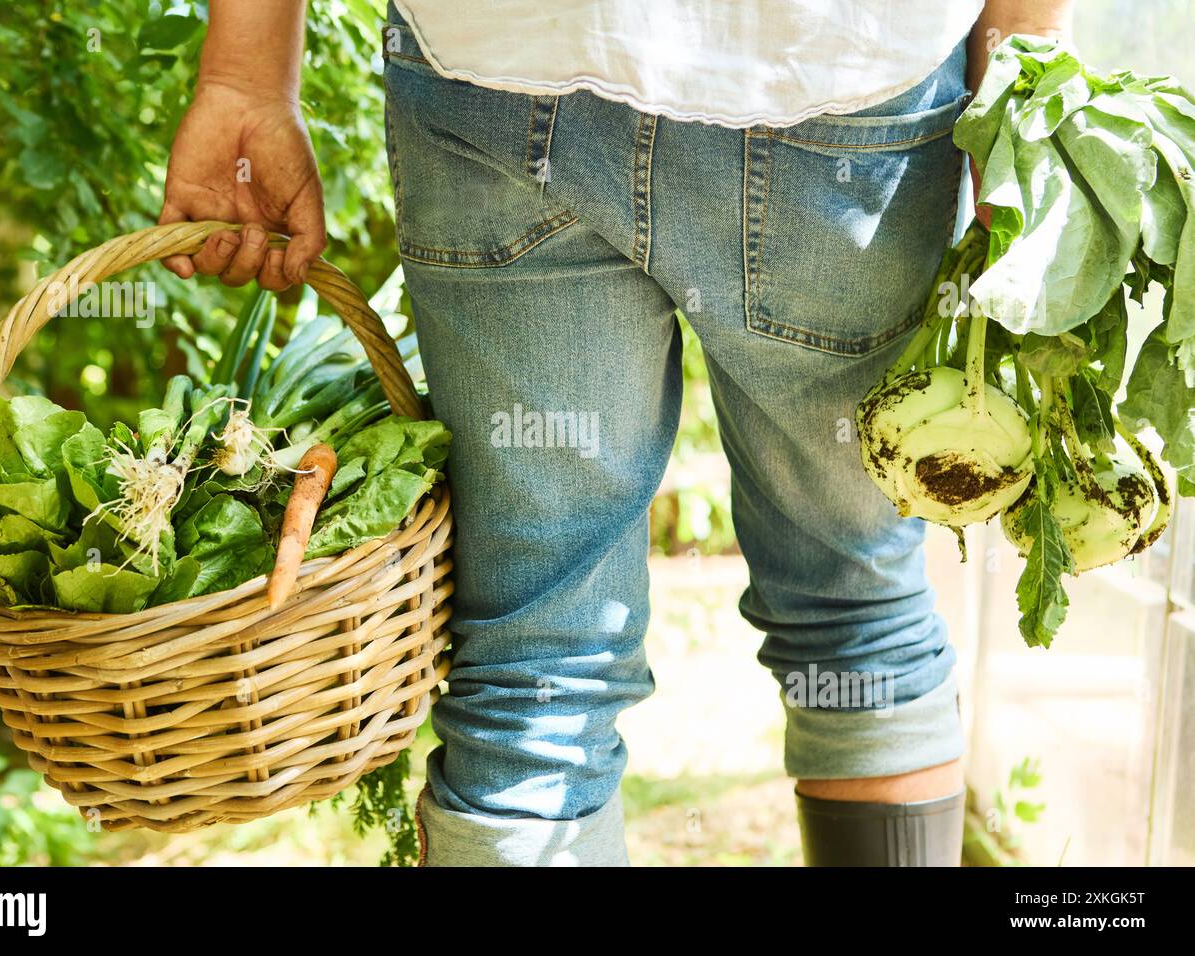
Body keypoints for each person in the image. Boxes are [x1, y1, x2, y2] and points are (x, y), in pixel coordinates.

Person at [161, 0, 1074, 866]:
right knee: (855, 609)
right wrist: (1018, 71)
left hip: (500, 65)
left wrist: (245, 75)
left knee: (535, 673)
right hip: (835, 73)